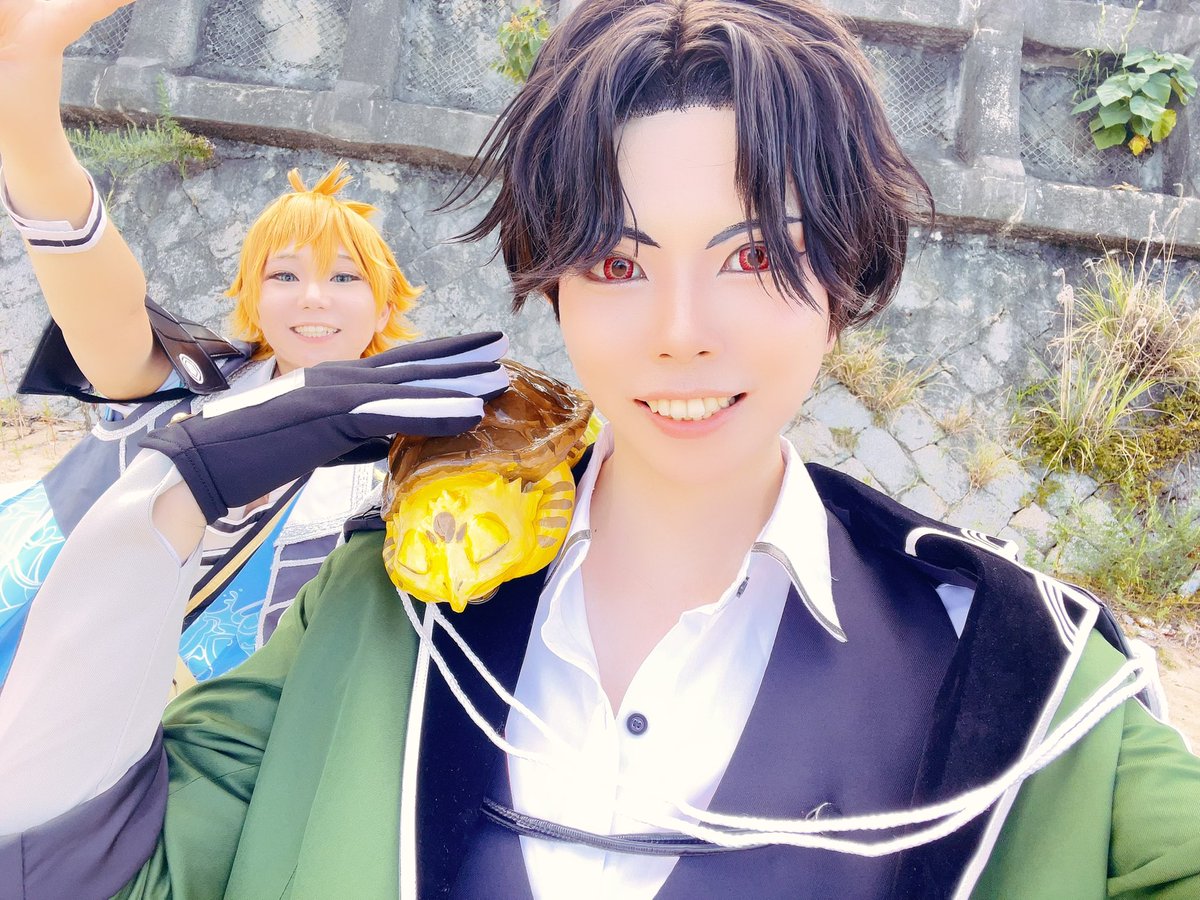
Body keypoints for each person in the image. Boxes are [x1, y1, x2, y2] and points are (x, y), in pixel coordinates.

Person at [2, 0, 1199, 897]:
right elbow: (58, 865)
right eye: (618, 264)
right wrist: (179, 479)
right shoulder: (379, 614)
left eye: (753, 255)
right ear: (554, 286)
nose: (682, 332)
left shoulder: (1022, 676)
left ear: (846, 275)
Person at [0, 0, 437, 686]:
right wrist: (23, 95)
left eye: (344, 277)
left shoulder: (416, 448)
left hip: (226, 726)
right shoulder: (195, 384)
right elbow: (103, 308)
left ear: (384, 303)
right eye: (284, 275)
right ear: (253, 298)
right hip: (58, 680)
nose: (313, 297)